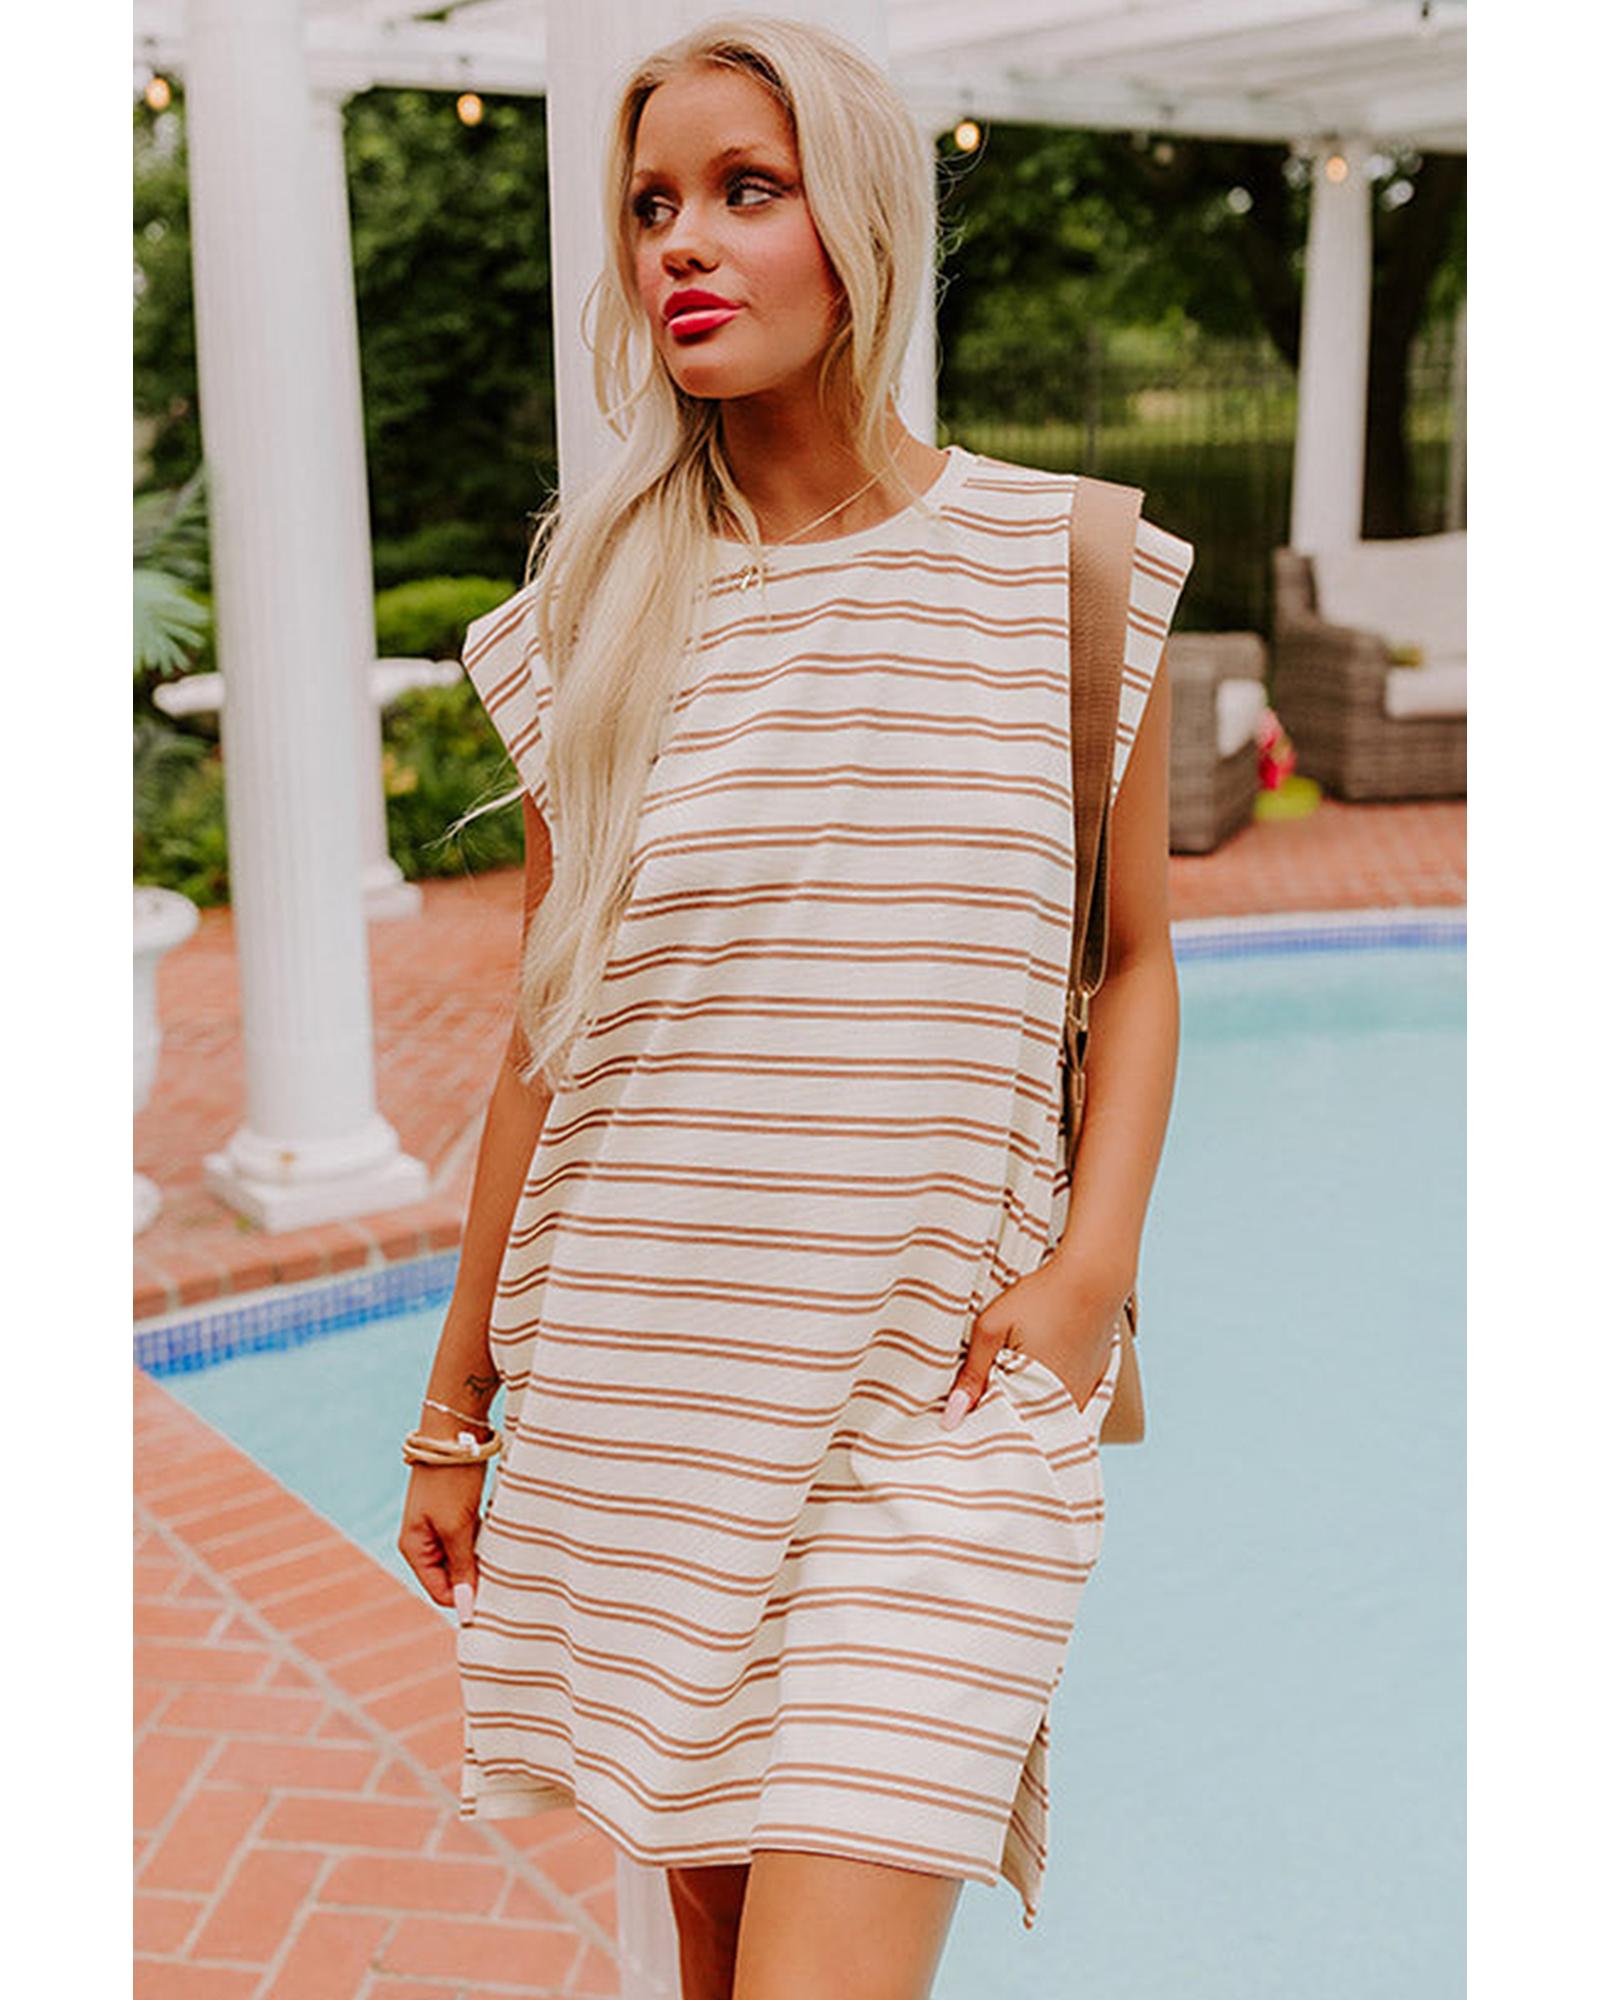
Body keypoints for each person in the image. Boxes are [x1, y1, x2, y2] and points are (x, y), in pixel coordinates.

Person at [398, 14, 1194, 1998]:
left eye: (743, 190)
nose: (680, 240)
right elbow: (547, 1036)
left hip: (935, 1415)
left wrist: (1089, 1274)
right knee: (712, 1939)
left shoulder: (1070, 567)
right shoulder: (586, 617)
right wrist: (453, 1405)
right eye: (649, 204)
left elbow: (1133, 961)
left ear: (861, 220)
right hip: (647, 1399)